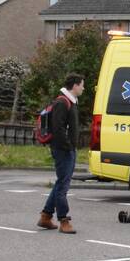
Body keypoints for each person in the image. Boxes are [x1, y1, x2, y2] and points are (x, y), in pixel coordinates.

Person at [37, 73, 84, 234]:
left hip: (68, 149)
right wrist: (68, 146)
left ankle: (45, 216)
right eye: (82, 85)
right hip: (63, 149)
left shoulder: (70, 102)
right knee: (63, 185)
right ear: (75, 85)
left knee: (60, 183)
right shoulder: (62, 102)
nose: (83, 88)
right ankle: (64, 220)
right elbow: (58, 129)